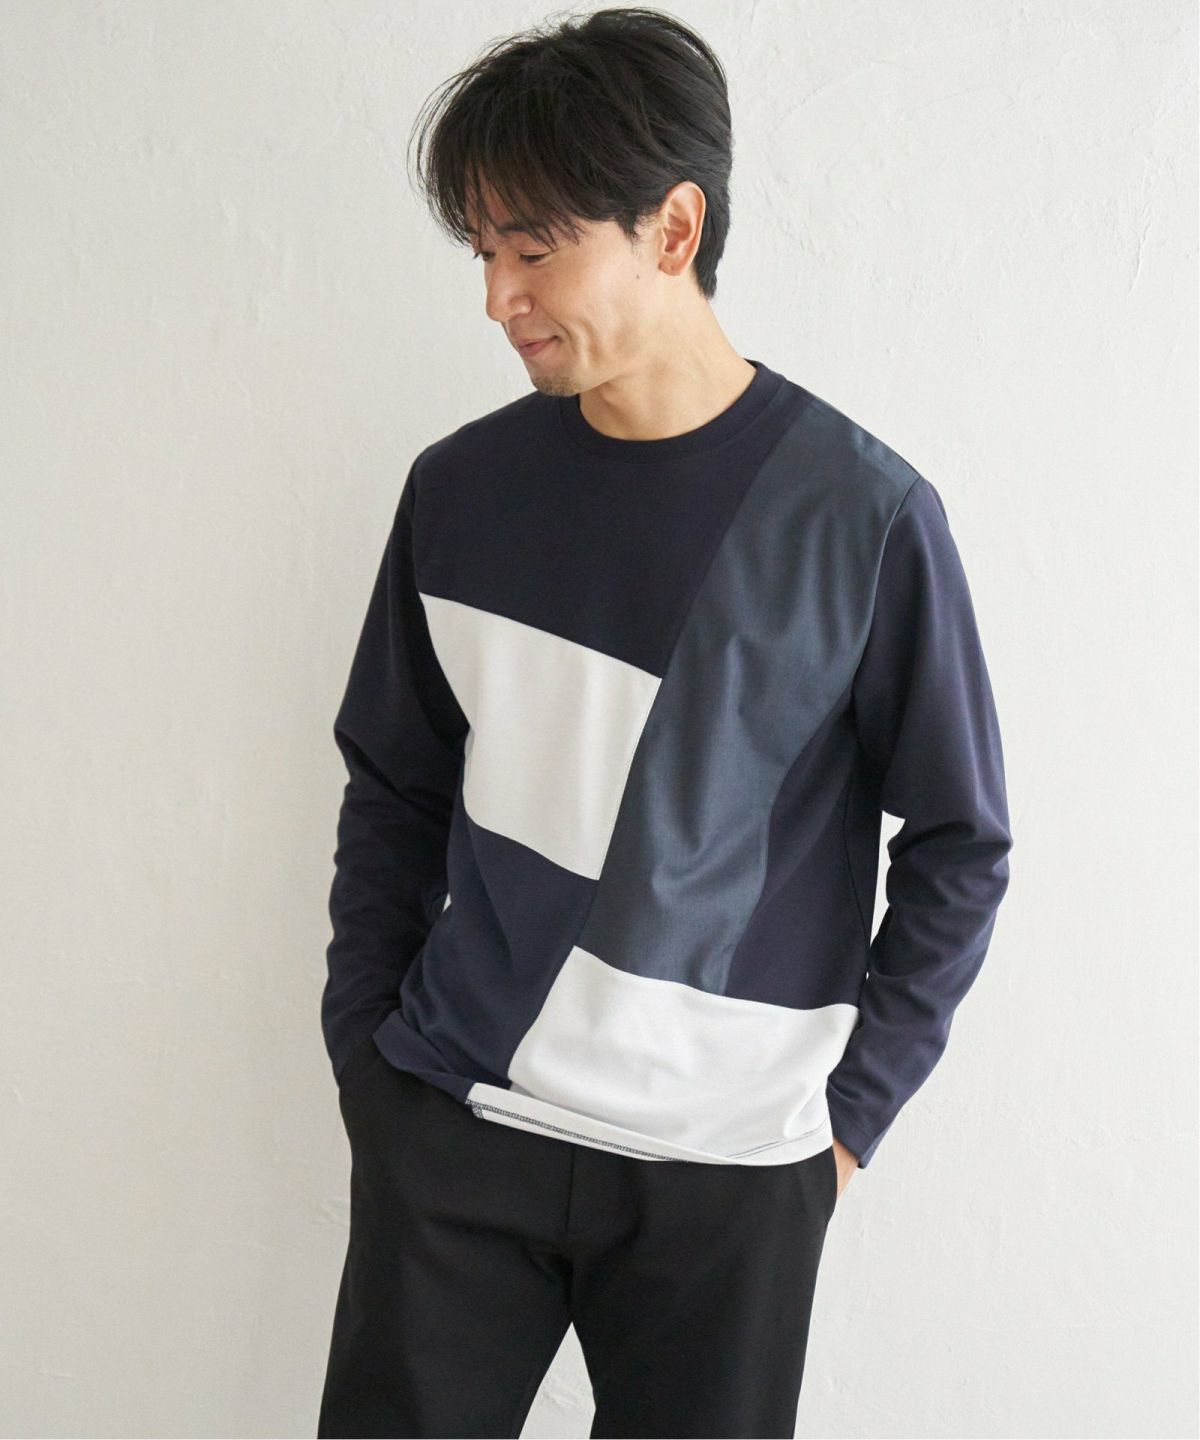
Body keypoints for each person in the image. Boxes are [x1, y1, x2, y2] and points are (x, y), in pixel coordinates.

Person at [316, 8, 1013, 1438]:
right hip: (461, 1126)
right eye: (483, 252)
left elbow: (960, 840)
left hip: (731, 1173)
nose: (497, 297)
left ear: (674, 228)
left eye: (533, 249)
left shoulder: (861, 518)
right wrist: (367, 1053)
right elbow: (393, 779)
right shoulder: (462, 491)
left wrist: (846, 1123)